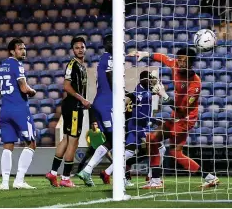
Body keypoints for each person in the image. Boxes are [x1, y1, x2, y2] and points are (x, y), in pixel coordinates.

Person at [131, 47, 219, 189]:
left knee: (152, 139)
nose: (181, 63)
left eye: (184, 61)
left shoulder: (195, 84)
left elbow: (183, 112)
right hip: (176, 117)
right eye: (179, 60)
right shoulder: (175, 66)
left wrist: (164, 96)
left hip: (185, 119)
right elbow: (163, 57)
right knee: (175, 153)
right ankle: (210, 178)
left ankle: (155, 180)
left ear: (191, 62)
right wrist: (146, 54)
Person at [0, 39, 38, 190]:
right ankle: (19, 180)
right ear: (12, 51)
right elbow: (24, 88)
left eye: (24, 48)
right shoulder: (17, 65)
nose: (23, 51)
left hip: (5, 111)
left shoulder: (2, 65)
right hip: (19, 109)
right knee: (31, 143)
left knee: (7, 146)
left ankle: (4, 183)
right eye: (20, 49)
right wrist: (33, 91)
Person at [45, 37, 90, 188]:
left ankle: (52, 172)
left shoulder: (82, 66)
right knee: (73, 142)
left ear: (85, 48)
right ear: (73, 50)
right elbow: (66, 86)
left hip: (74, 106)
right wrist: (82, 100)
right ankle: (65, 178)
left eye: (82, 47)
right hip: (74, 107)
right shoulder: (73, 65)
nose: (80, 49)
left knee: (65, 140)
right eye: (77, 47)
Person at [76, 35, 112, 186]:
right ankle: (90, 170)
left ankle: (89, 171)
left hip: (101, 103)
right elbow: (111, 78)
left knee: (112, 141)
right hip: (107, 104)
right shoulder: (110, 57)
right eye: (111, 41)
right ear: (106, 44)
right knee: (118, 139)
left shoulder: (103, 59)